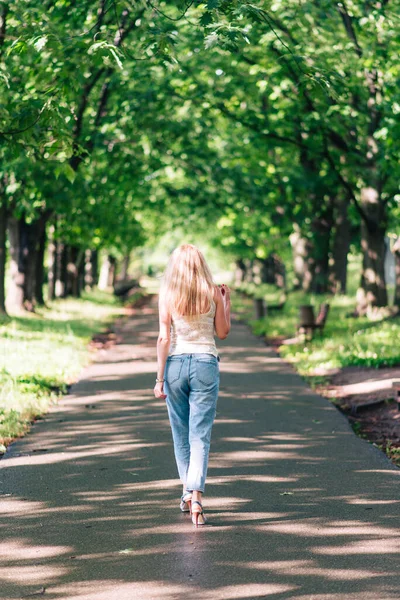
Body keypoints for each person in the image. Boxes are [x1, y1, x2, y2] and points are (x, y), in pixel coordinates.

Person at [153, 244, 231, 526]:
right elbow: (222, 333)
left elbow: (164, 338)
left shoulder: (168, 294)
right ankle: (196, 495)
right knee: (200, 435)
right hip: (205, 364)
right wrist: (226, 303)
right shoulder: (212, 291)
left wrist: (159, 379)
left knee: (181, 433)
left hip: (175, 365)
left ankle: (188, 493)